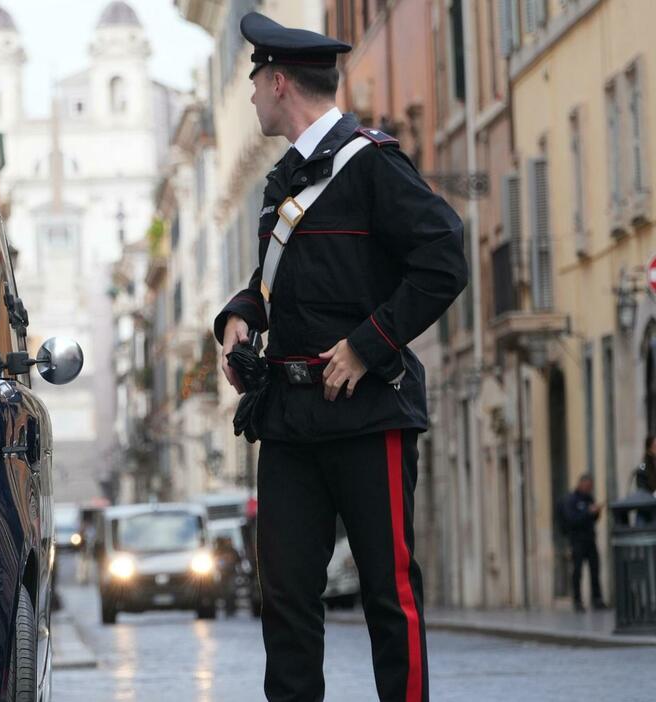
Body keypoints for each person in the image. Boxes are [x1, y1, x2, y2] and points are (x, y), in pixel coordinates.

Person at [213, 12, 467, 702]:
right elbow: (276, 283)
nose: (252, 95)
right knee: (286, 602)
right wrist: (239, 316)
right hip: (289, 421)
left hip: (368, 413)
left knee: (389, 592)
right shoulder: (283, 180)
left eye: (255, 82)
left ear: (279, 82)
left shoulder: (374, 163)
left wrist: (366, 345)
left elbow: (445, 260)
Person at [558, 475, 607, 612]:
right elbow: (572, 520)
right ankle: (577, 600)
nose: (589, 488)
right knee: (577, 572)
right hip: (577, 541)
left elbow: (593, 519)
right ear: (581, 484)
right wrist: (588, 512)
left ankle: (597, 599)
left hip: (590, 540)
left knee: (595, 570)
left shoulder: (589, 498)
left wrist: (596, 512)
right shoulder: (571, 500)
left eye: (590, 486)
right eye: (587, 486)